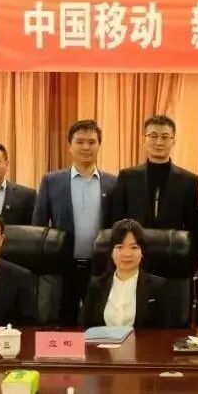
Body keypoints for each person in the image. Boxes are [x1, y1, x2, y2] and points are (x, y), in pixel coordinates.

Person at [32, 120, 117, 326]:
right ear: (70, 146)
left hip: (101, 267)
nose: (86, 147)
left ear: (99, 145)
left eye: (91, 142)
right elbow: (39, 225)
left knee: (99, 322)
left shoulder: (113, 183)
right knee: (64, 322)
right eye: (80, 142)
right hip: (63, 266)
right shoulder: (51, 181)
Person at [106, 115, 198, 231]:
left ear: (173, 142)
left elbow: (194, 226)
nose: (159, 142)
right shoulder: (126, 177)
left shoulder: (189, 181)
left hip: (173, 242)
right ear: (144, 140)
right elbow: (117, 222)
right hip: (135, 242)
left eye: (165, 137)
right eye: (153, 136)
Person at [81, 218, 177, 328]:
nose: (127, 254)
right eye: (120, 247)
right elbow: (87, 328)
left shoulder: (158, 286)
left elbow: (166, 331)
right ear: (111, 252)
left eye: (134, 247)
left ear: (142, 252)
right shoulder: (96, 286)